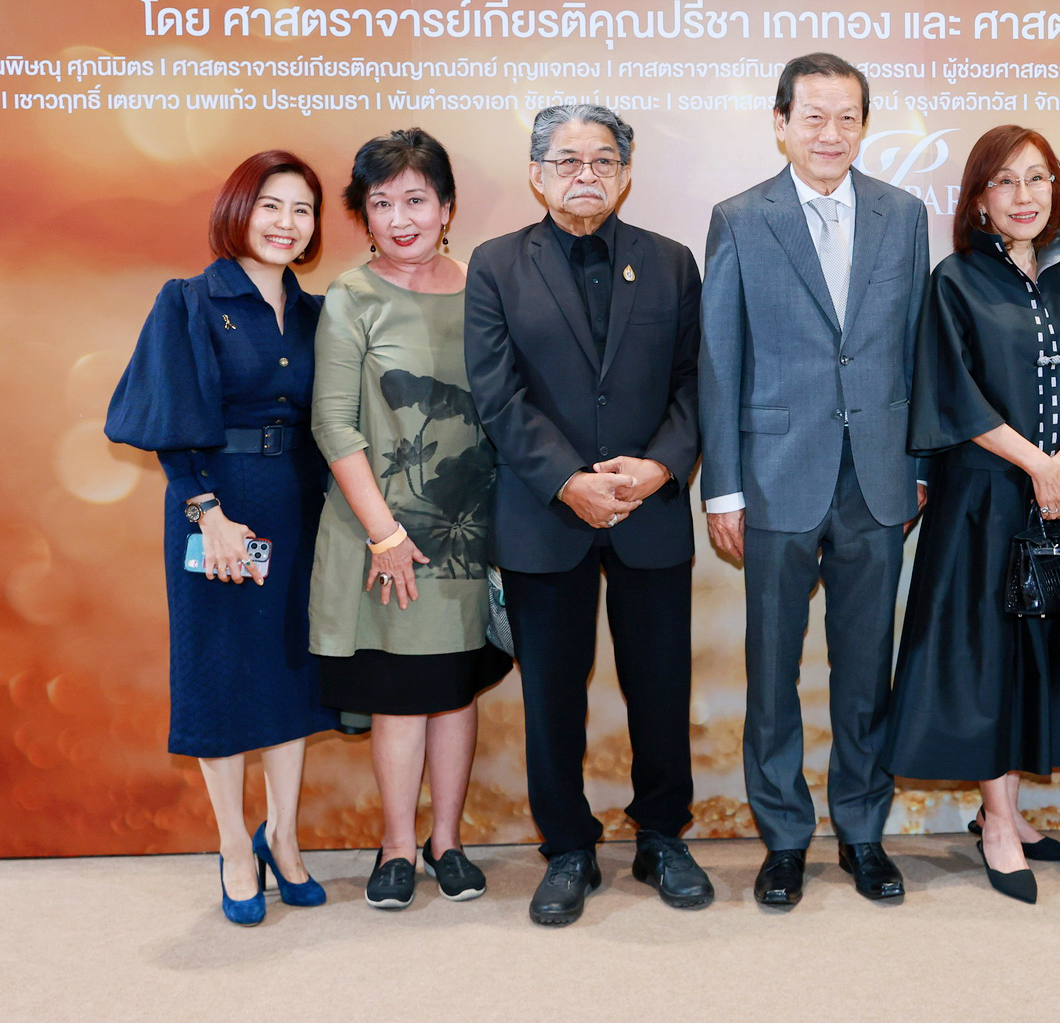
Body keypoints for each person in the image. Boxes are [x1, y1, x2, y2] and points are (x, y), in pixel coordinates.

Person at [465, 104, 710, 924]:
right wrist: (568, 479)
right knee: (553, 699)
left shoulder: (671, 263)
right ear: (536, 173)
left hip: (649, 513)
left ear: (626, 174)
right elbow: (497, 395)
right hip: (546, 516)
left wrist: (660, 467)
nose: (586, 175)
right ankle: (567, 847)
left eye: (603, 161)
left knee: (659, 687)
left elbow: (694, 384)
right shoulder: (497, 266)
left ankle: (661, 835)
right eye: (567, 160)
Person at [699, 52, 930, 907]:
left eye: (847, 118)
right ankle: (785, 837)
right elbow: (720, 360)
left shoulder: (903, 213)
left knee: (866, 668)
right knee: (773, 672)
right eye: (814, 117)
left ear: (864, 125)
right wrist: (722, 487)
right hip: (773, 478)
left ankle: (863, 832)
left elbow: (915, 350)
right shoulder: (739, 217)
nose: (830, 133)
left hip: (878, 480)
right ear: (781, 122)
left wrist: (918, 467)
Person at [105, 151, 339, 926]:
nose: (286, 223)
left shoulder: (318, 313)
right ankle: (236, 846)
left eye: (302, 210)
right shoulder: (190, 301)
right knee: (219, 675)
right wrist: (209, 513)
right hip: (218, 507)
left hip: (301, 507)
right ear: (239, 211)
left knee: (289, 675)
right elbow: (170, 422)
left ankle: (285, 835)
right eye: (271, 206)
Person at [884, 125, 1060, 905]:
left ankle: (1010, 809)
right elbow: (954, 394)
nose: (1024, 196)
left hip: (1058, 497)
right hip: (984, 501)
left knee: (1041, 654)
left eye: (1038, 179)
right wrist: (1037, 463)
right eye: (1006, 182)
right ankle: (999, 820)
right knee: (986, 661)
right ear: (979, 199)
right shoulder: (955, 281)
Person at [308, 129, 511, 912]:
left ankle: (446, 841)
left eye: (415, 200)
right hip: (382, 530)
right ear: (363, 215)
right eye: (381, 203)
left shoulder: (485, 286)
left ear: (447, 207)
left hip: (473, 527)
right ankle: (396, 846)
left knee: (453, 688)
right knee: (399, 694)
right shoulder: (352, 298)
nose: (400, 218)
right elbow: (334, 426)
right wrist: (386, 535)